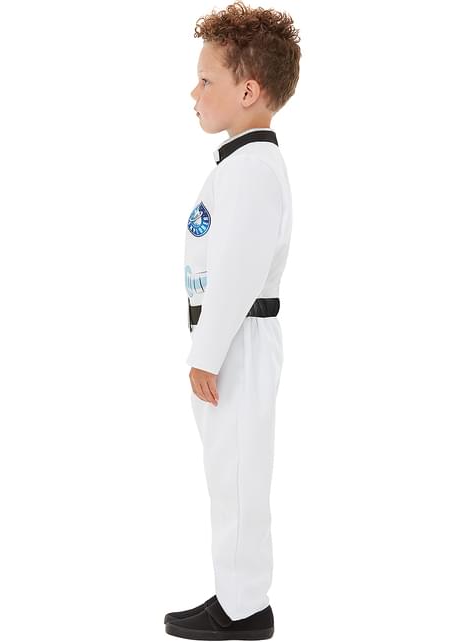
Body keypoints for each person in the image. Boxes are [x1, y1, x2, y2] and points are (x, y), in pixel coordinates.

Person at [165, 2, 301, 639]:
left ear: (247, 91)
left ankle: (246, 609)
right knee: (227, 471)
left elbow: (238, 272)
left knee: (241, 473)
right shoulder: (239, 166)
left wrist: (206, 352)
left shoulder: (251, 172)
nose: (194, 92)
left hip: (237, 340)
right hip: (228, 337)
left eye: (206, 80)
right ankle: (234, 593)